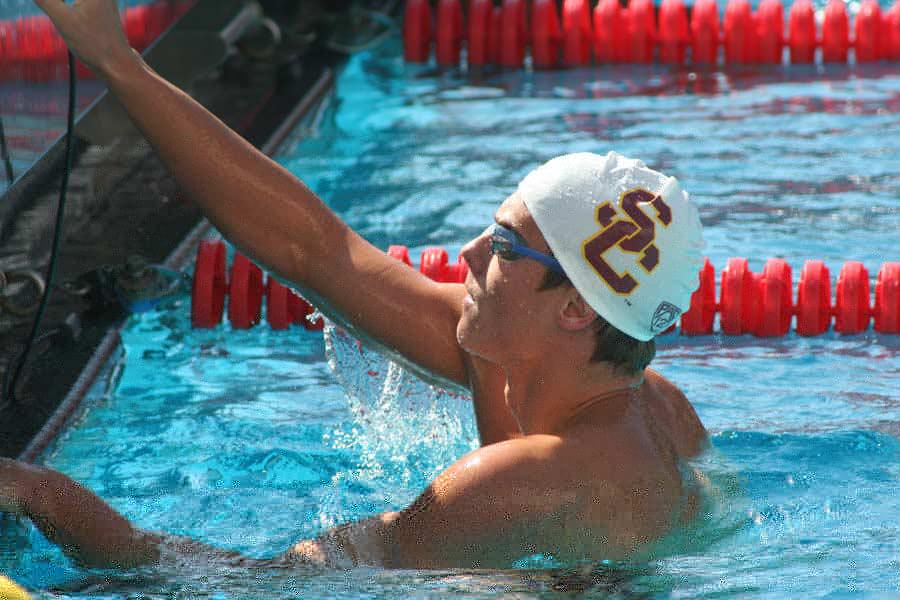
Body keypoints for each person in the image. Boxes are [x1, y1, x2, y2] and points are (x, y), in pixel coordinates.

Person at [0, 0, 708, 571]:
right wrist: (118, 61)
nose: (464, 253)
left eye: (501, 245)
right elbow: (317, 252)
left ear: (577, 309)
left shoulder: (525, 482)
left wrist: (41, 494)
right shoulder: (657, 410)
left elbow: (244, 588)